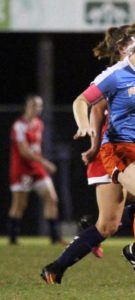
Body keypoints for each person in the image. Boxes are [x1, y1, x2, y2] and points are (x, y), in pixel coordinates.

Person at [41, 21, 135, 286]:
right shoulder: (115, 75)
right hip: (119, 147)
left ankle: (62, 266)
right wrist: (84, 126)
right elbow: (82, 101)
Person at [7, 94, 63, 245]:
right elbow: (24, 151)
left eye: (39, 106)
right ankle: (12, 238)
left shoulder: (39, 123)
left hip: (36, 169)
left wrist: (41, 164)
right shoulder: (19, 125)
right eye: (33, 105)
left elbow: (35, 149)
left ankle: (54, 237)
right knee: (20, 204)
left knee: (52, 199)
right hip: (22, 170)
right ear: (27, 106)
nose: (36, 108)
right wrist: (45, 163)